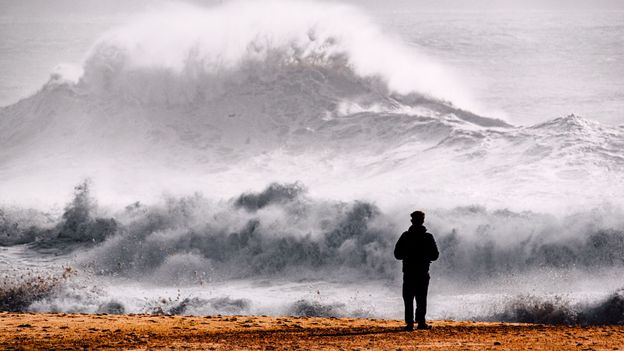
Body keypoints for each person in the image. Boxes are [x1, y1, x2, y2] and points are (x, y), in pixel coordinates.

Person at [394, 210, 439, 330]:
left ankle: (409, 323)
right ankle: (421, 322)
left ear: (412, 221)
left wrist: (408, 255)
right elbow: (435, 256)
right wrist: (425, 256)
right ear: (423, 221)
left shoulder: (406, 236)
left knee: (408, 298)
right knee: (421, 298)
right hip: (422, 272)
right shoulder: (428, 237)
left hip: (408, 272)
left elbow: (397, 254)